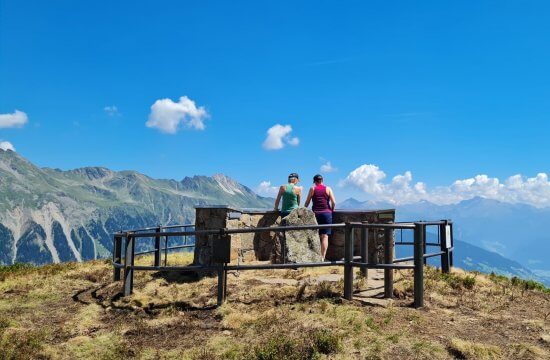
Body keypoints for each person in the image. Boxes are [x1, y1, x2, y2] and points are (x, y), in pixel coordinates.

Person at [305, 174, 336, 260]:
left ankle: (315, 257)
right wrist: (331, 210)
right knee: (325, 236)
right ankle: (322, 257)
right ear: (322, 181)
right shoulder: (328, 188)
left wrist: (303, 211)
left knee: (316, 235)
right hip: (327, 214)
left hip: (316, 214)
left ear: (314, 181)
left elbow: (307, 202)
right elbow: (334, 202)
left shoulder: (312, 188)